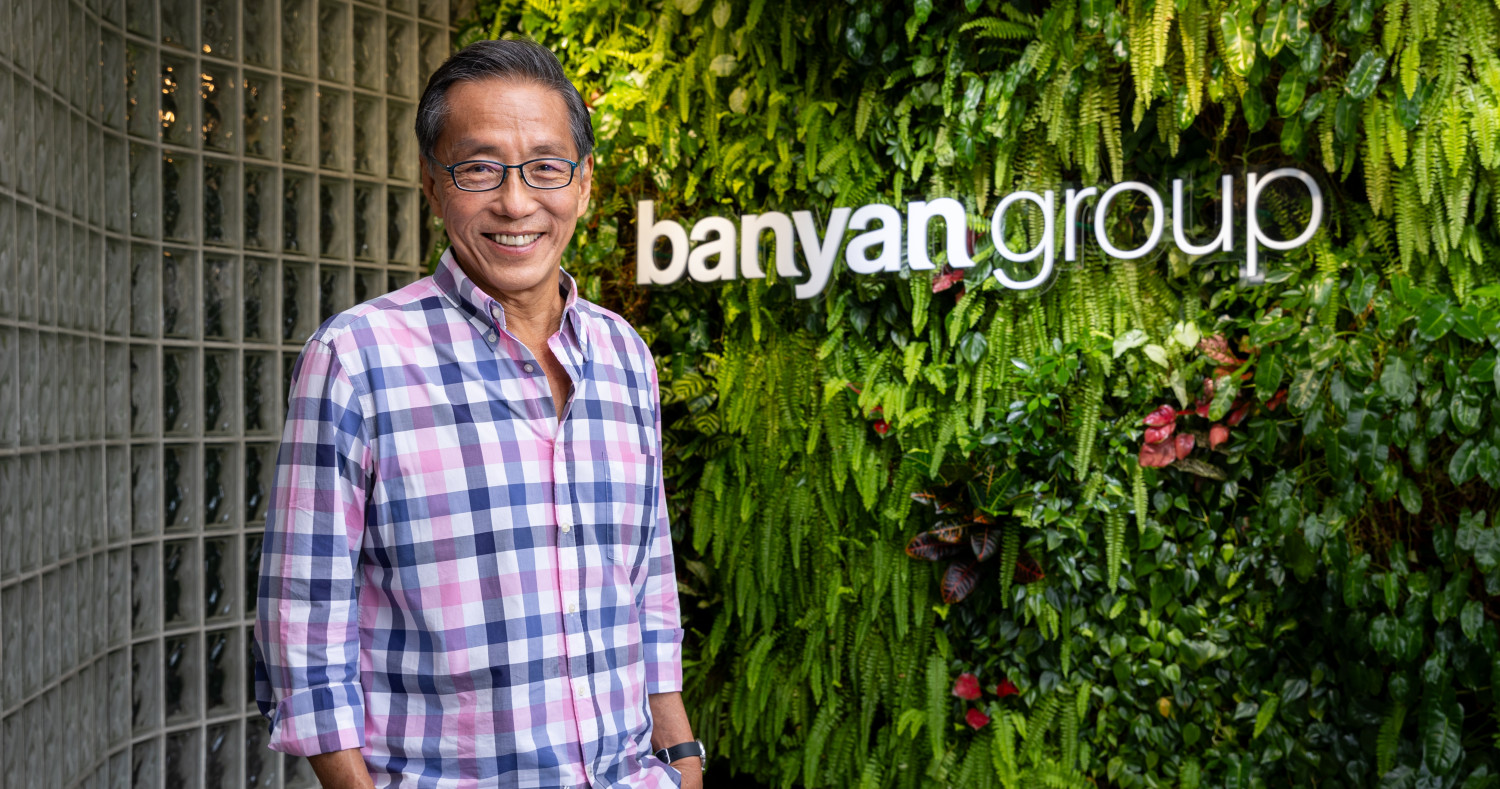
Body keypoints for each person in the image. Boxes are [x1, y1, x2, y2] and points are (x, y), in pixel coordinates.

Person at [253, 38, 704, 789]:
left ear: (585, 184)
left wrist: (682, 756)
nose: (517, 201)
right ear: (433, 184)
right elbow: (303, 632)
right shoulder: (357, 358)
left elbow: (647, 580)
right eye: (479, 167)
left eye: (545, 167)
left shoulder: (625, 355)